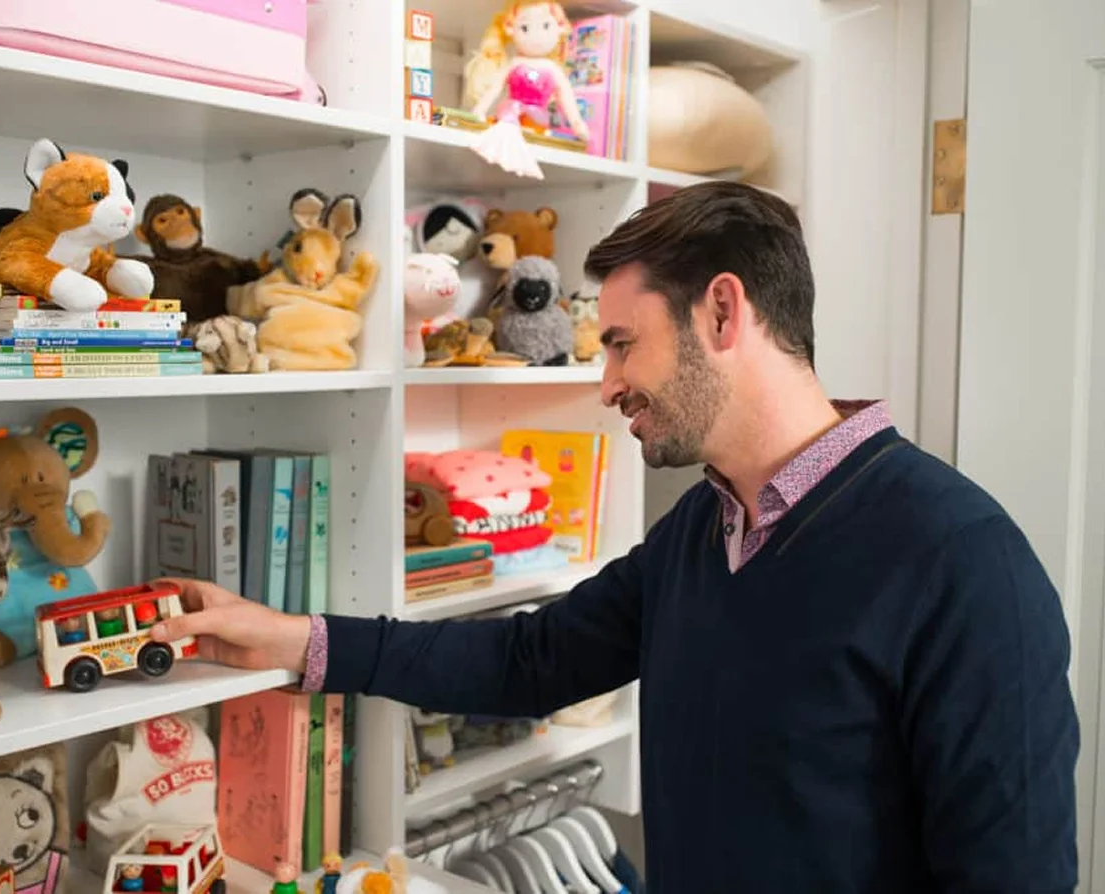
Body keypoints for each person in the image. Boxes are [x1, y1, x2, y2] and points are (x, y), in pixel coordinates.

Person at [149, 182, 1080, 892]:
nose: (605, 384)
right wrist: (296, 639)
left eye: (622, 343)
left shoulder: (962, 561)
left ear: (723, 312)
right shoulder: (703, 531)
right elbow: (529, 659)